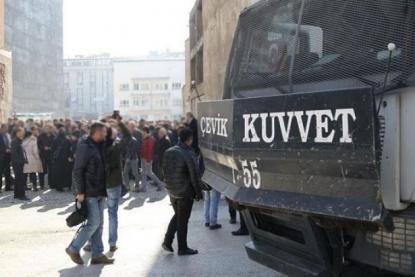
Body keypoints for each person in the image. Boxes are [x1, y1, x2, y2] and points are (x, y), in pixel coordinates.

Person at [66, 122, 114, 265]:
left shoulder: (100, 146)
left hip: (100, 190)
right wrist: (80, 191)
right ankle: (73, 248)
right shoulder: (85, 146)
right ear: (97, 132)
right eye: (104, 132)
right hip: (89, 191)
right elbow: (77, 170)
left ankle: (97, 254)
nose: (106, 134)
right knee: (94, 223)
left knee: (98, 224)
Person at [84, 120, 131, 253]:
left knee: (96, 216)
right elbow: (128, 137)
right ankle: (112, 243)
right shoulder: (115, 148)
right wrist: (120, 122)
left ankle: (91, 243)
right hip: (113, 184)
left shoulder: (95, 146)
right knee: (112, 214)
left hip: (99, 184)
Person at [162, 128, 203, 256]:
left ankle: (167, 241)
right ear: (190, 139)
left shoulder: (169, 151)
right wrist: (199, 193)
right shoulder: (188, 153)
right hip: (185, 192)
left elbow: (163, 169)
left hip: (172, 190)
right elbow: (194, 176)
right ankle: (182, 248)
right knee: (183, 220)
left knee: (178, 217)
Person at [140, 127, 164, 192]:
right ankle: (143, 188)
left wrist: (148, 159)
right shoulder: (145, 138)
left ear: (145, 131)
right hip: (143, 158)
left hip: (147, 158)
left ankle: (160, 184)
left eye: (142, 131)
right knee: (143, 173)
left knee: (149, 173)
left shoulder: (150, 139)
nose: (142, 132)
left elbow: (150, 150)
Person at [22, 126, 44, 191]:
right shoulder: (33, 140)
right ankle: (34, 186)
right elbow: (35, 151)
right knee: (33, 173)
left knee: (25, 173)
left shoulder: (23, 141)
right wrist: (37, 158)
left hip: (25, 158)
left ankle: (24, 186)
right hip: (32, 158)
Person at [11, 127, 29, 201]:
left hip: (20, 162)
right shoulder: (15, 141)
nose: (23, 133)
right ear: (18, 132)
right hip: (17, 163)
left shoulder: (19, 140)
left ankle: (16, 194)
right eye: (22, 131)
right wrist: (21, 161)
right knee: (20, 179)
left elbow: (22, 152)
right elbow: (14, 154)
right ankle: (22, 195)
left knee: (18, 179)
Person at [122, 124, 141, 191]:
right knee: (125, 173)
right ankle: (127, 186)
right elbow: (125, 149)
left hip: (133, 159)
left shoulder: (134, 140)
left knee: (135, 173)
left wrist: (128, 158)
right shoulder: (126, 139)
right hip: (127, 159)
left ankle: (137, 186)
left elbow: (133, 150)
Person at [38, 124, 55, 189]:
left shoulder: (53, 136)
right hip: (43, 155)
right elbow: (38, 145)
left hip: (51, 155)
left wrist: (50, 148)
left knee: (51, 170)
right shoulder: (40, 136)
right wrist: (43, 148)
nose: (46, 129)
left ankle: (51, 184)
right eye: (45, 128)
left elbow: (55, 144)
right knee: (42, 170)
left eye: (48, 128)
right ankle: (41, 185)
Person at [0, 124, 13, 192]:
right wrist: (4, 150)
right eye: (5, 128)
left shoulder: (7, 135)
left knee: (8, 172)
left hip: (8, 156)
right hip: (1, 156)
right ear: (2, 128)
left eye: (7, 128)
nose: (6, 129)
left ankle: (8, 187)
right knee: (0, 172)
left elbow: (9, 144)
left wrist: (10, 149)